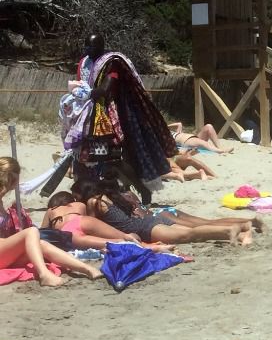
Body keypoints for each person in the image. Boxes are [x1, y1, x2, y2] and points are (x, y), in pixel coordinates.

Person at [61, 34, 177, 205]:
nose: (88, 50)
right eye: (86, 47)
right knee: (84, 157)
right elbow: (81, 82)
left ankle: (142, 189)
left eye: (92, 47)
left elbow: (106, 88)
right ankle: (87, 192)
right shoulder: (84, 61)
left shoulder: (111, 62)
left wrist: (85, 94)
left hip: (105, 117)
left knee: (113, 158)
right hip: (85, 115)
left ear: (100, 46)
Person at [1, 157, 104, 286]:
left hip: (3, 251)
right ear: (9, 177)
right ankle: (44, 274)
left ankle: (87, 269)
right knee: (32, 232)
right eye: (16, 178)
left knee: (41, 244)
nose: (17, 183)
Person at [76, 179, 253, 245]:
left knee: (189, 235)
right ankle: (241, 235)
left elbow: (93, 225)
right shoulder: (110, 196)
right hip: (149, 221)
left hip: (144, 228)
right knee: (192, 231)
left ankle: (229, 230)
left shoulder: (93, 202)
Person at [43, 192, 175, 253]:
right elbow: (87, 221)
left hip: (69, 232)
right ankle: (147, 243)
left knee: (113, 243)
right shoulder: (78, 205)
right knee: (123, 235)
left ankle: (156, 248)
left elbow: (44, 231)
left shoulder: (51, 210)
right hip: (84, 221)